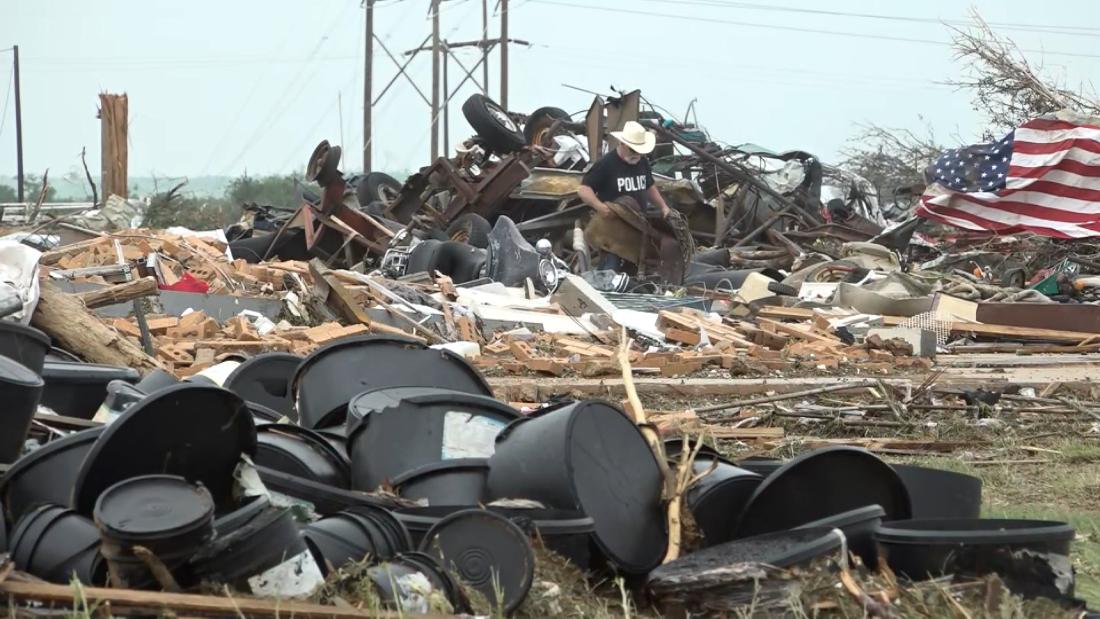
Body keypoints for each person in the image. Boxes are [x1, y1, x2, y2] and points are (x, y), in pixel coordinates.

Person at [577, 120, 672, 270]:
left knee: (639, 265)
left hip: (636, 226)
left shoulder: (642, 163)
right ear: (622, 144)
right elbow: (584, 189)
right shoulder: (606, 164)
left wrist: (663, 207)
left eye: (639, 150)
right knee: (611, 268)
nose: (636, 154)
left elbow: (649, 186)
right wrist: (600, 207)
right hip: (613, 229)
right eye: (632, 150)